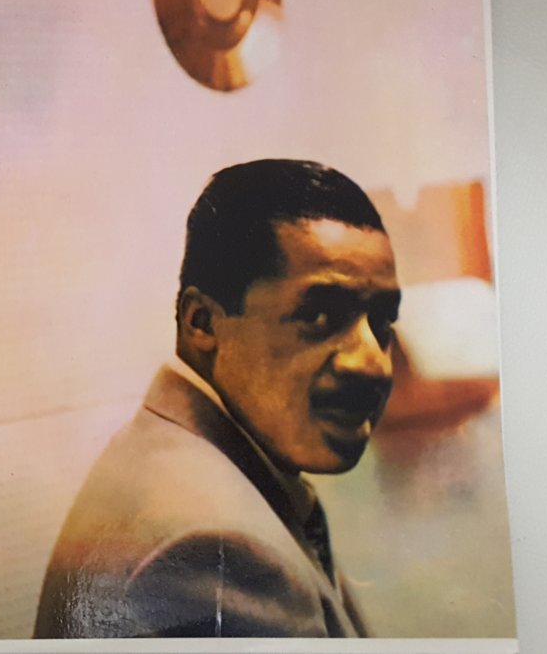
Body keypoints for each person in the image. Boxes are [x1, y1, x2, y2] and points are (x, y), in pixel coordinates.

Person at [34, 159, 401, 638]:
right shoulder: (217, 548)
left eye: (382, 323)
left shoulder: (171, 452)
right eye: (318, 316)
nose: (374, 365)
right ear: (202, 323)